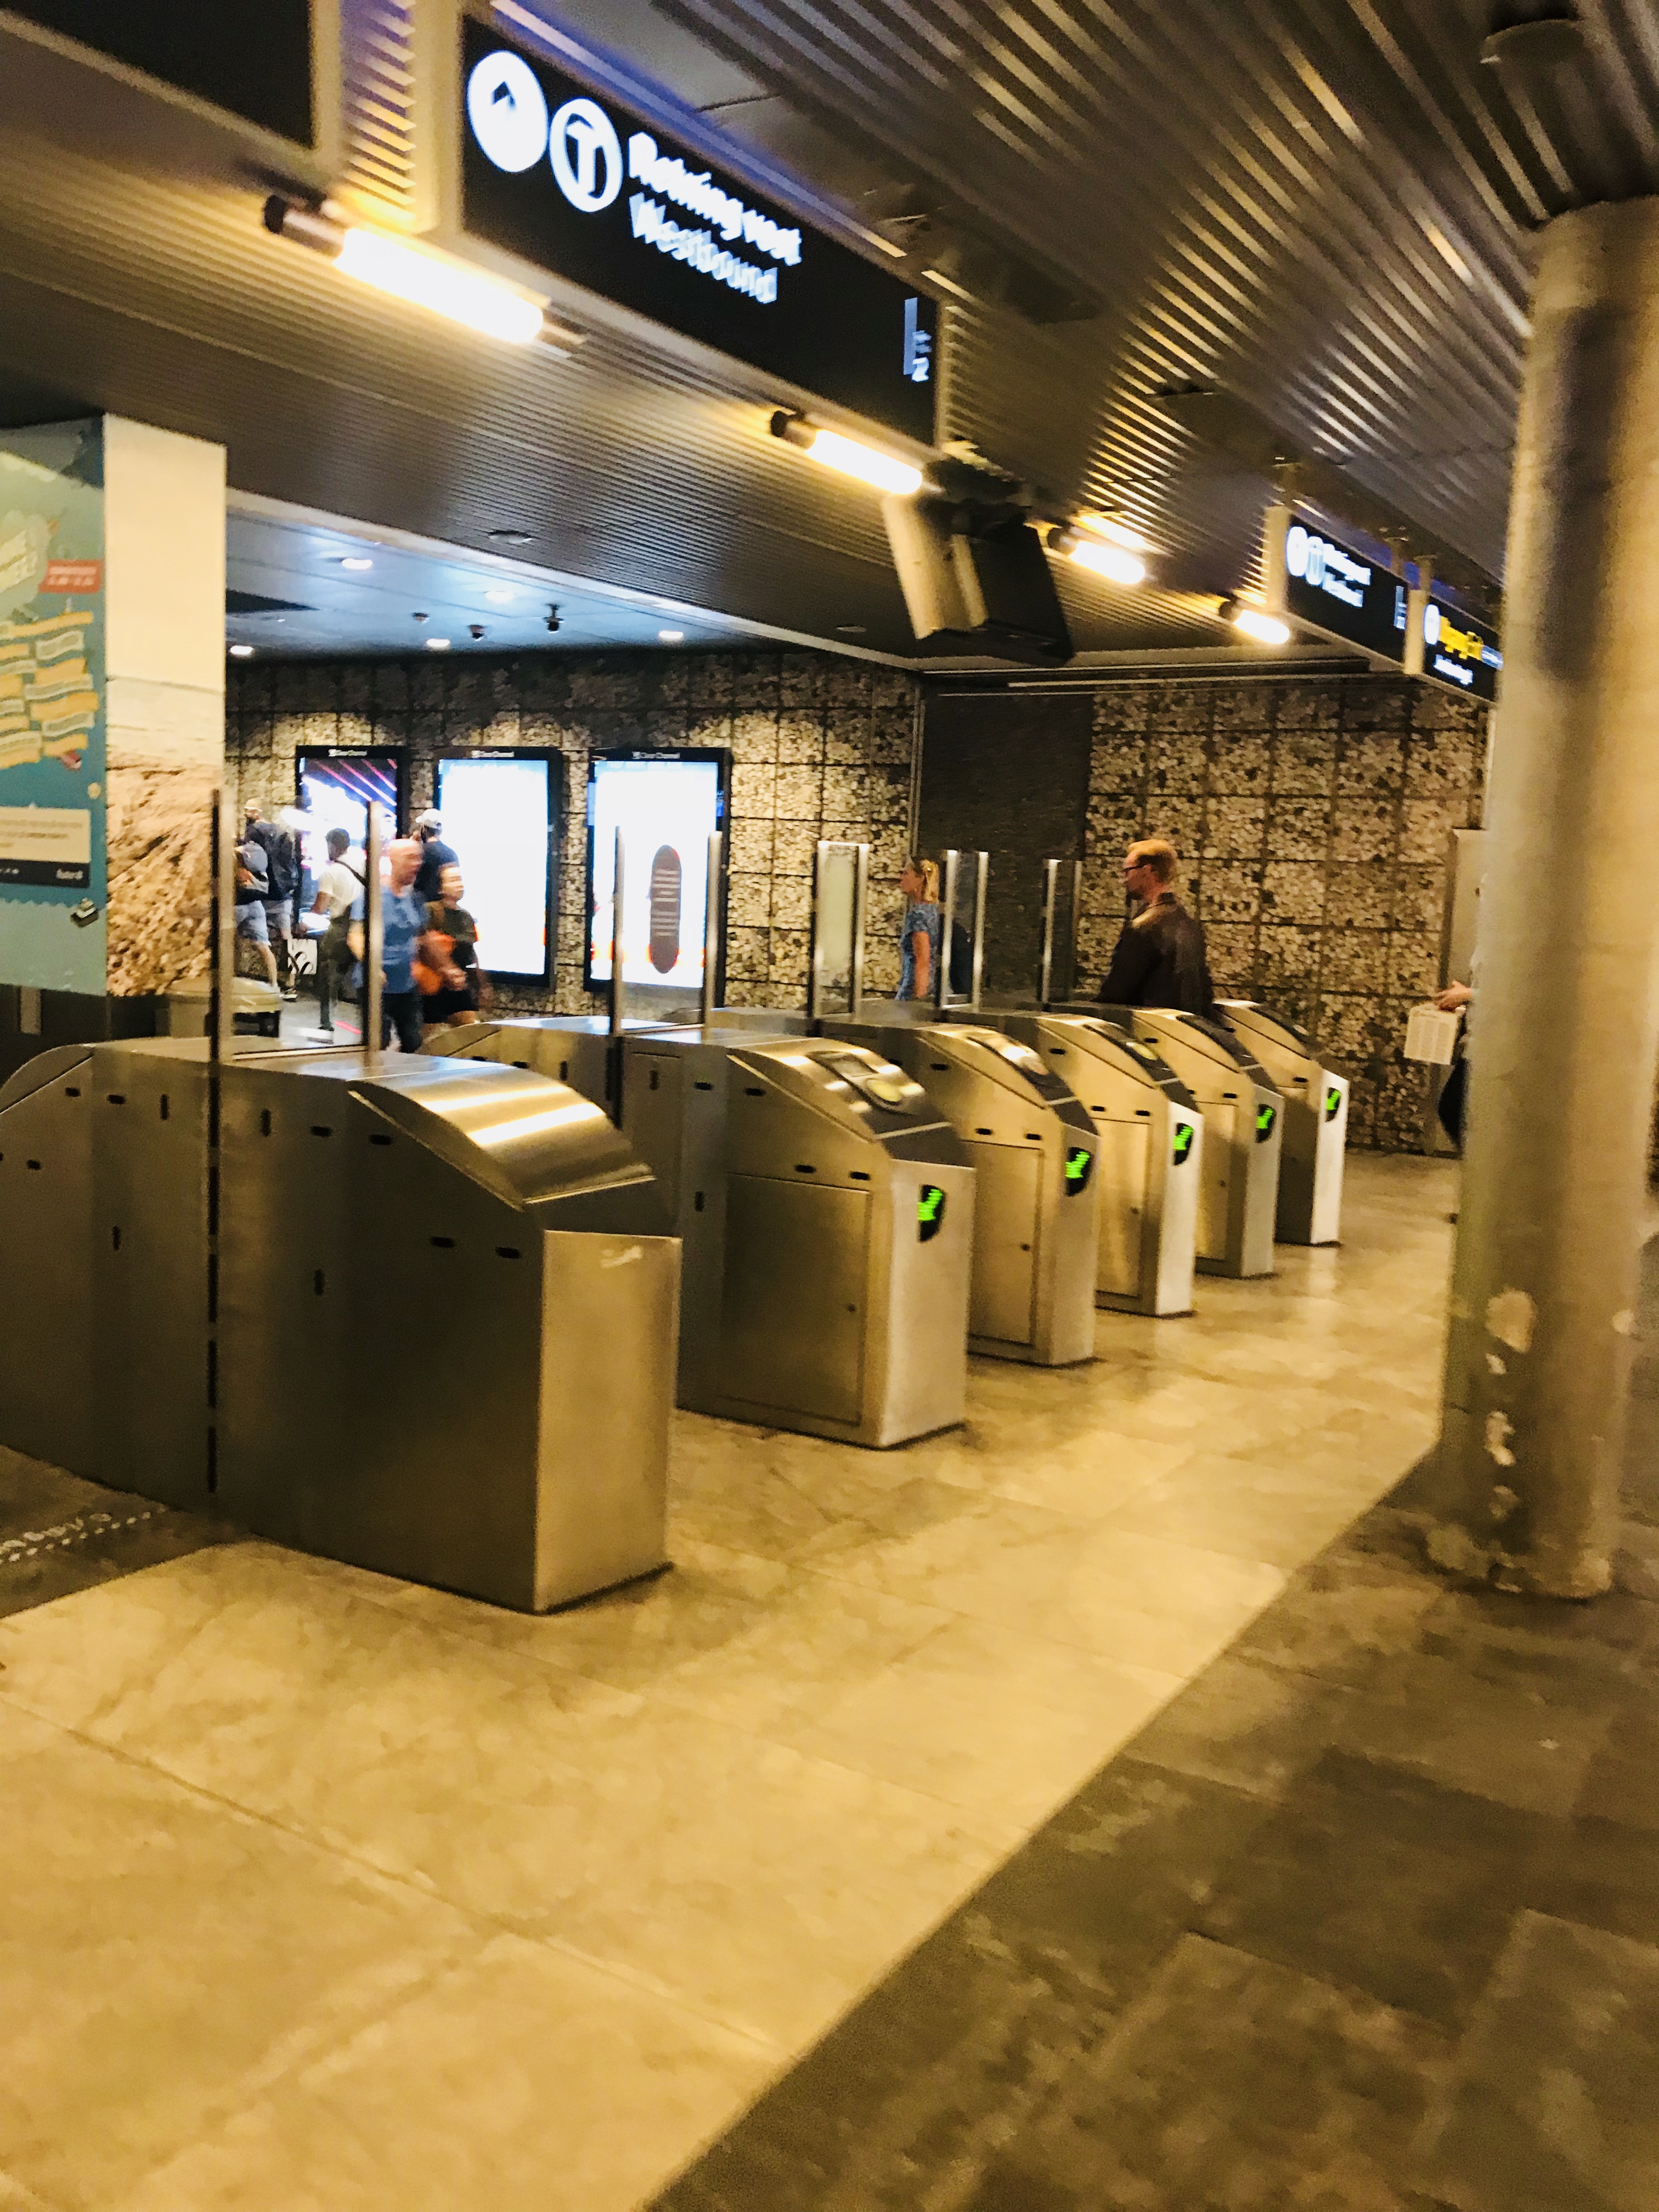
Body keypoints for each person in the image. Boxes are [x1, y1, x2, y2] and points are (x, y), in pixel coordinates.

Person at [1098, 838, 1216, 1014]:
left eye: (1128, 871)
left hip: (1150, 1023)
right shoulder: (1189, 924)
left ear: (1148, 871)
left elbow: (1116, 993)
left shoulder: (1143, 928)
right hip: (1185, 1025)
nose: (1124, 880)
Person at [419, 862, 492, 1031]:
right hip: (434, 986)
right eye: (453, 880)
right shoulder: (431, 911)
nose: (459, 884)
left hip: (459, 985)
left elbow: (472, 952)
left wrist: (483, 985)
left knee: (472, 1030)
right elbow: (423, 944)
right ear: (441, 888)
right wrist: (446, 969)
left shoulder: (466, 916)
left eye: (460, 879)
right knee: (429, 1036)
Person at [308, 827, 363, 1037]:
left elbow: (321, 906)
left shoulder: (330, 873)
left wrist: (304, 925)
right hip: (363, 928)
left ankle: (327, 1022)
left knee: (329, 975)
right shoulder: (362, 864)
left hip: (340, 929)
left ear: (332, 845)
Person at [244, 801, 299, 1000]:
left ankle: (270, 982)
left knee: (259, 939)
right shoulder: (282, 832)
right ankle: (291, 984)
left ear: (256, 813)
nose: (245, 814)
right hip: (283, 892)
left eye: (247, 811)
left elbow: (251, 860)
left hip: (262, 892)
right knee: (287, 938)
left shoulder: (253, 831)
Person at [380, 838, 429, 1053]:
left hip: (406, 984)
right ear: (393, 860)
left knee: (413, 1041)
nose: (417, 863)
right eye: (411, 858)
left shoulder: (415, 899)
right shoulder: (375, 897)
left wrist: (447, 968)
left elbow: (424, 937)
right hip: (378, 986)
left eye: (419, 858)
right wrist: (373, 967)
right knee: (377, 1041)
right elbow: (356, 936)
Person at [233, 836, 280, 991]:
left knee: (227, 941)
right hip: (256, 904)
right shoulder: (257, 855)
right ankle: (274, 985)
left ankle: (230, 978)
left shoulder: (235, 856)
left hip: (238, 905)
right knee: (264, 946)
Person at [895, 855, 943, 1002]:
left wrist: (918, 999)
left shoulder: (918, 915)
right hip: (932, 988)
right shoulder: (932, 910)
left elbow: (922, 960)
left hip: (913, 990)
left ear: (920, 878)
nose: (901, 878)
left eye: (906, 873)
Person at [413, 808, 460, 902]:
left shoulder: (419, 852)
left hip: (422, 907)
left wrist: (412, 845)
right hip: (444, 908)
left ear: (424, 829)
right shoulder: (452, 854)